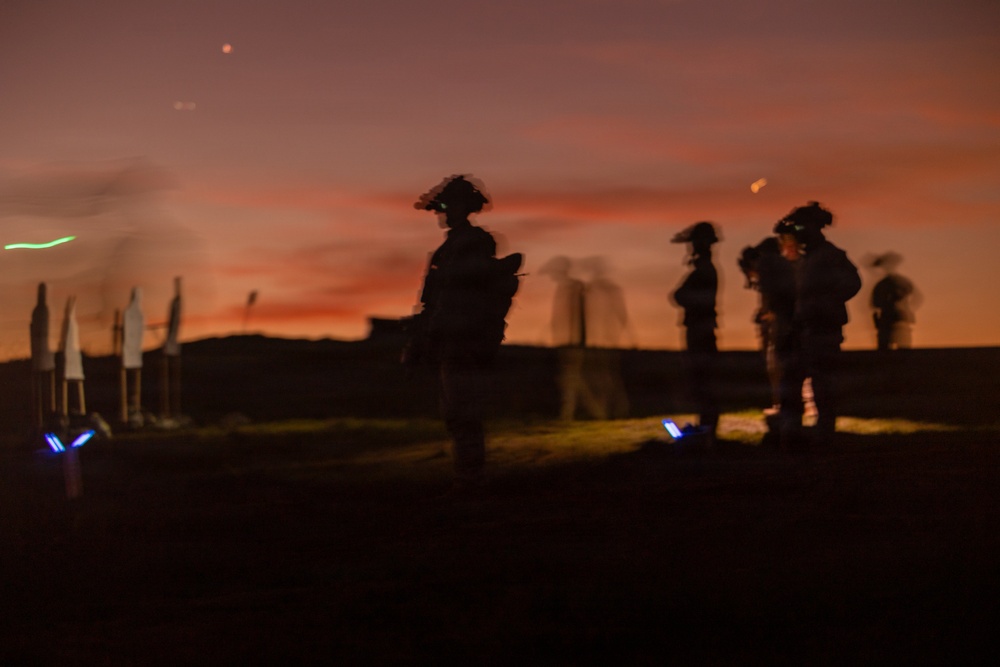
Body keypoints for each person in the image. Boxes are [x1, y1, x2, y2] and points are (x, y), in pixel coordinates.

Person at [405, 175, 520, 488]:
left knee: (463, 410)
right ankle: (468, 472)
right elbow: (437, 300)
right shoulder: (454, 247)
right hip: (454, 339)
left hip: (465, 340)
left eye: (448, 206)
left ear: (463, 207)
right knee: (456, 410)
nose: (442, 213)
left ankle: (471, 475)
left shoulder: (472, 243)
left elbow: (456, 296)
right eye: (441, 207)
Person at [778, 201, 861, 447]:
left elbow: (852, 283)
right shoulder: (806, 259)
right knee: (794, 382)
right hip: (805, 330)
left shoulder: (830, 256)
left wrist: (825, 305)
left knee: (823, 386)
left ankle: (824, 436)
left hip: (823, 331)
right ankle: (795, 434)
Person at [670, 221, 720, 444]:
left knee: (704, 382)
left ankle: (706, 430)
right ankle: (705, 428)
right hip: (701, 331)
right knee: (702, 381)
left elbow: (681, 296)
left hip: (700, 332)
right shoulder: (704, 270)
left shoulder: (704, 271)